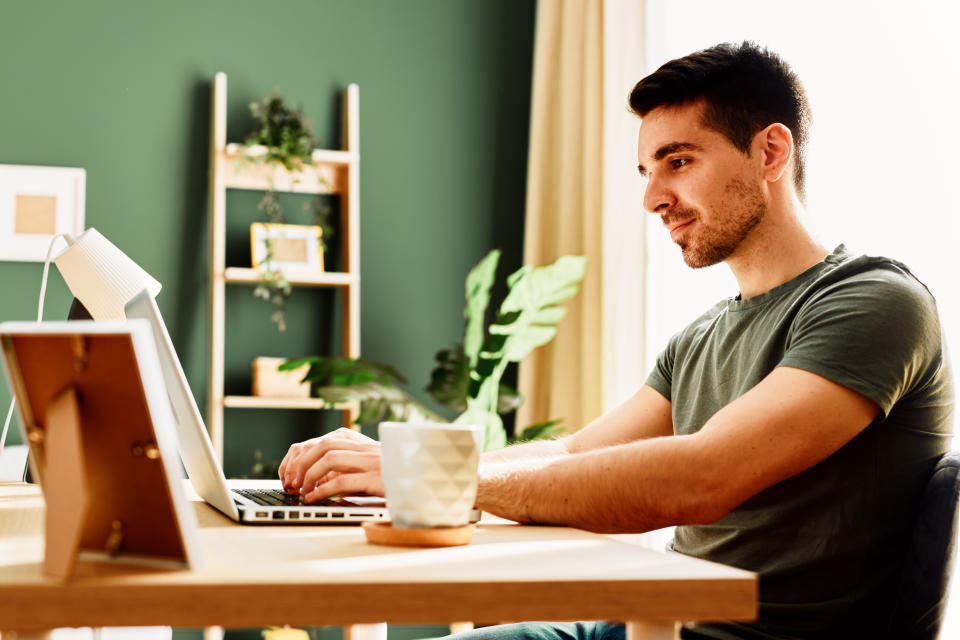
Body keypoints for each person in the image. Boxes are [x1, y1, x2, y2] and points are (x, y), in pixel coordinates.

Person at [278, 42, 954, 639]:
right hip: (644, 625)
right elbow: (572, 452)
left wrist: (443, 484)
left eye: (678, 161)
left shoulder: (875, 304)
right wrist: (401, 468)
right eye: (646, 172)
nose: (652, 197)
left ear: (771, 152)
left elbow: (703, 476)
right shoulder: (701, 337)